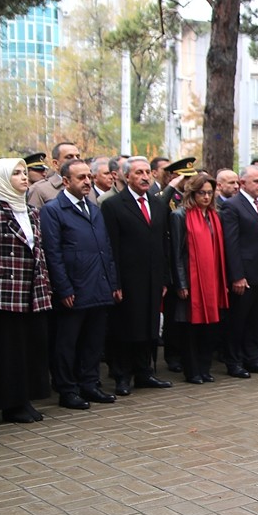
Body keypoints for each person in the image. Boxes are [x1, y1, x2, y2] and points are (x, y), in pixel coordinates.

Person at [40, 159, 121, 409]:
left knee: (94, 341)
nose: (87, 181)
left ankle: (90, 383)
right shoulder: (53, 210)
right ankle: (67, 389)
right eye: (80, 177)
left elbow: (105, 248)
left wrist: (113, 282)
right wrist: (63, 288)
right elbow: (52, 253)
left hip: (98, 285)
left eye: (88, 176)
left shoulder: (93, 208)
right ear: (66, 181)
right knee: (67, 343)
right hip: (73, 289)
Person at [0, 158, 53, 423]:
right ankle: (10, 404)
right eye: (16, 174)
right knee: (9, 350)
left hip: (34, 288)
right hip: (6, 290)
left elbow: (38, 251)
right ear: (0, 178)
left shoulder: (31, 211)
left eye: (24, 173)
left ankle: (26, 399)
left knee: (32, 346)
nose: (23, 177)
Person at [101, 157, 173, 396]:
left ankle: (145, 371)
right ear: (126, 177)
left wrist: (164, 277)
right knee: (126, 327)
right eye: (138, 173)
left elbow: (163, 243)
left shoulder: (158, 204)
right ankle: (123, 376)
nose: (144, 177)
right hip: (128, 279)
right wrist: (115, 282)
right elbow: (111, 247)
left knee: (149, 327)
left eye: (147, 173)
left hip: (153, 278)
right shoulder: (113, 206)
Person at [220, 165, 258, 378]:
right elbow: (231, 244)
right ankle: (234, 362)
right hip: (244, 276)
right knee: (238, 321)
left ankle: (252, 358)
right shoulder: (233, 207)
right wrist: (237, 276)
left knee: (257, 320)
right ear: (242, 183)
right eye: (256, 181)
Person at [169, 173, 229, 384]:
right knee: (191, 329)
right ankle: (192, 370)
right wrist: (181, 283)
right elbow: (176, 253)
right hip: (192, 280)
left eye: (210, 193)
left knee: (209, 328)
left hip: (212, 279)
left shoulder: (215, 216)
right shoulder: (180, 216)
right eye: (201, 193)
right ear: (192, 193)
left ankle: (204, 368)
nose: (206, 197)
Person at [28, 142, 83, 207]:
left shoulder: (87, 187)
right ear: (56, 163)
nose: (75, 160)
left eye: (78, 157)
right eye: (69, 157)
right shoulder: (39, 190)